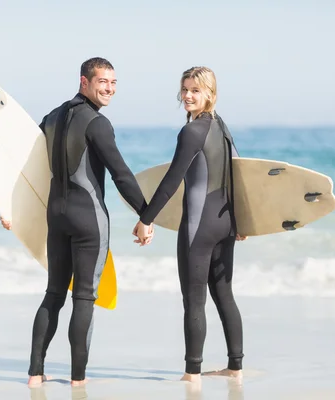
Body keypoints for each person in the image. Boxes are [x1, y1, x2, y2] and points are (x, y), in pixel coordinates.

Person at [1, 57, 152, 387]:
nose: (109, 89)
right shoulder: (98, 123)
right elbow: (121, 175)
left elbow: (29, 169)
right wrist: (146, 215)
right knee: (84, 297)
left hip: (56, 217)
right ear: (84, 82)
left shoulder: (52, 118)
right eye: (103, 82)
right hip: (89, 220)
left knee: (53, 293)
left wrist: (9, 206)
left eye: (113, 83)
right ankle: (78, 380)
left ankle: (35, 374)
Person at [133, 66, 246, 384]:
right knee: (224, 295)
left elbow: (171, 180)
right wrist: (243, 220)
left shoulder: (192, 131)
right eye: (184, 89)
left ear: (210, 93)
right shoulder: (221, 127)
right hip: (225, 224)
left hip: (199, 227)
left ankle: (192, 373)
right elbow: (240, 171)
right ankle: (235, 367)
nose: (187, 96)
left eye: (195, 90)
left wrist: (146, 219)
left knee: (194, 300)